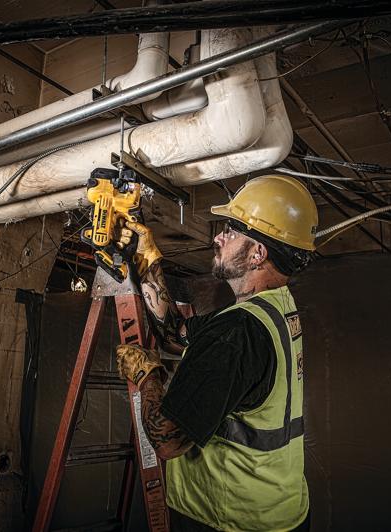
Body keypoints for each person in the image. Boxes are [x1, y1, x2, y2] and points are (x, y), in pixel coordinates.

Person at [114, 174, 318, 531]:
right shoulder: (274, 309)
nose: (217, 237)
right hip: (277, 510)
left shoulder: (236, 333)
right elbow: (175, 335)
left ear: (258, 253)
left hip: (235, 517)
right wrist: (147, 257)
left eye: (233, 230)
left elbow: (168, 439)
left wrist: (148, 374)